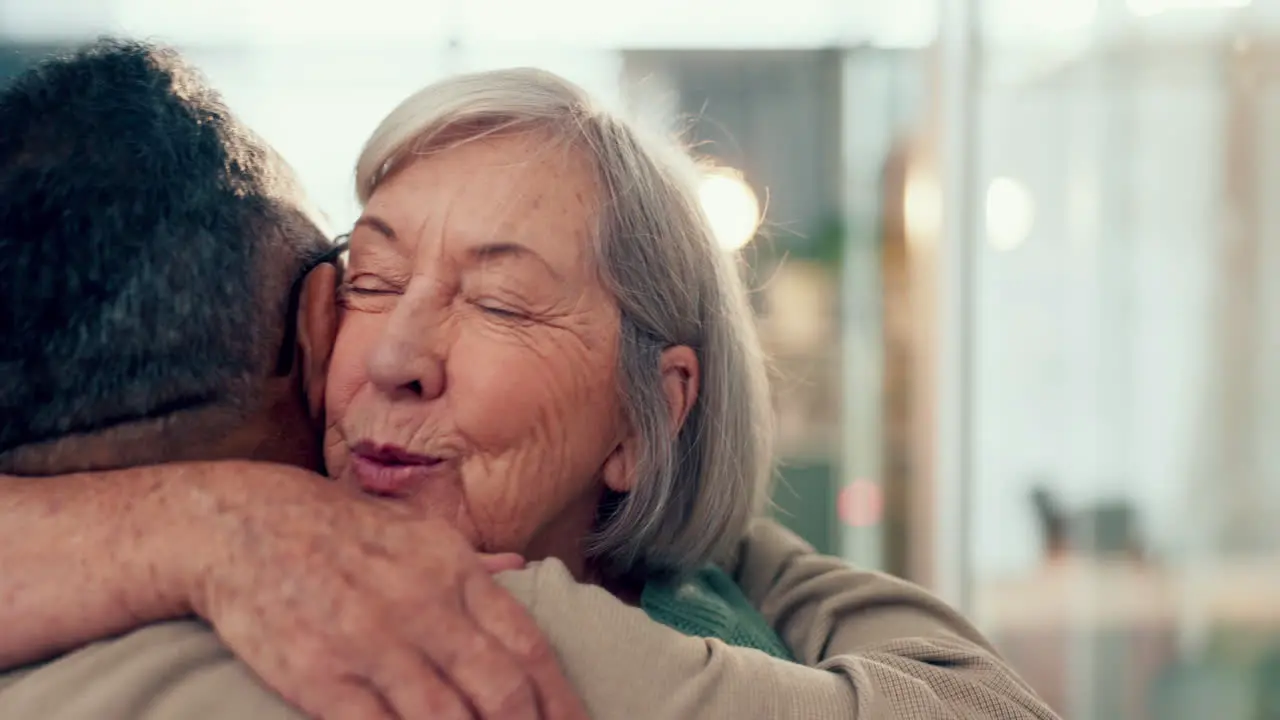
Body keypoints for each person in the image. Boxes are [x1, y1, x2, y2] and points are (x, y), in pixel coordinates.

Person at [0, 39, 1059, 719]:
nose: (397, 358)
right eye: (366, 280)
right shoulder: (352, 618)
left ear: (652, 412)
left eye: (501, 303)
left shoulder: (717, 604)